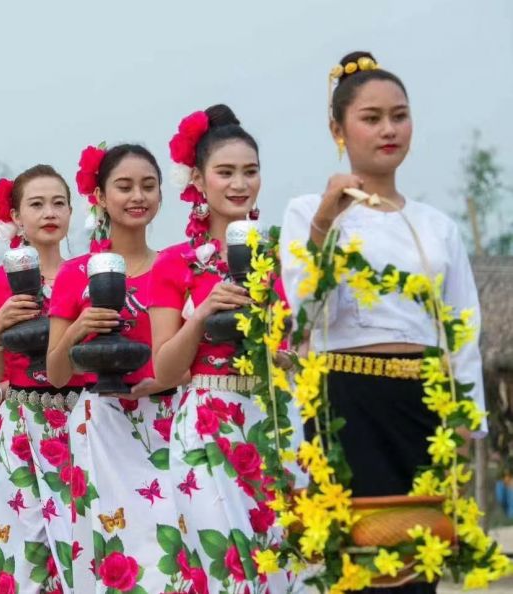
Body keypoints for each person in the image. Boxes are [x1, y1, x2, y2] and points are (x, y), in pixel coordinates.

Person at [279, 51, 486, 594]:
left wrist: (466, 417)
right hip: (344, 402)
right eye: (371, 118)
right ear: (338, 129)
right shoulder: (307, 213)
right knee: (355, 562)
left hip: (424, 405)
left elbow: (463, 326)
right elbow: (308, 316)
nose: (389, 129)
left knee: (420, 559)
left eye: (400, 115)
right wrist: (327, 221)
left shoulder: (435, 226)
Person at [151, 105, 297, 594]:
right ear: (198, 179)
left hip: (275, 419)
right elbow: (165, 368)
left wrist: (273, 331)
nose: (240, 184)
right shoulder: (174, 264)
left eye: (250, 172)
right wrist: (202, 313)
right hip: (204, 425)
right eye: (226, 172)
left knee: (281, 567)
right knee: (223, 568)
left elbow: (299, 358)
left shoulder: (283, 257)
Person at [46, 143, 179, 592]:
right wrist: (77, 328)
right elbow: (57, 374)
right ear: (100, 197)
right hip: (101, 426)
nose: (137, 196)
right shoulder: (75, 274)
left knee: (173, 550)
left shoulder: (178, 265)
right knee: (115, 553)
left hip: (169, 421)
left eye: (148, 186)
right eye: (124, 186)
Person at [0, 166, 79, 593]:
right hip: (23, 421)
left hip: (82, 418)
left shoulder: (88, 273)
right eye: (36, 204)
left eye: (58, 202)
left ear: (72, 211)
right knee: (28, 546)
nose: (49, 212)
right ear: (16, 217)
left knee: (82, 538)